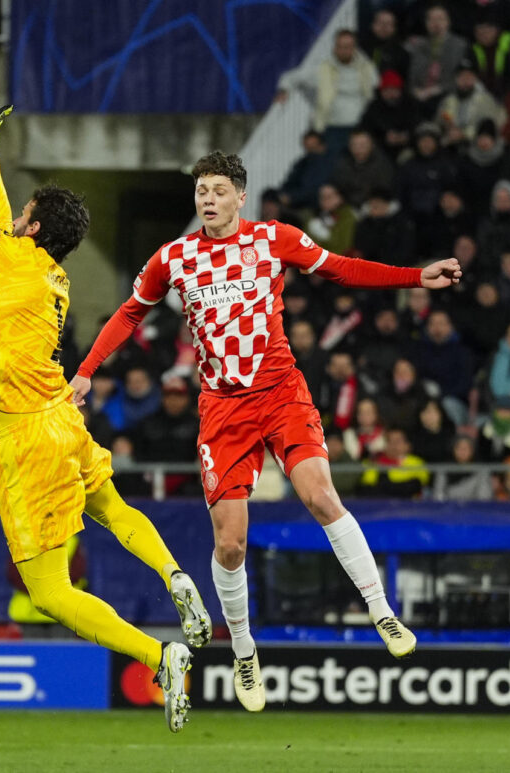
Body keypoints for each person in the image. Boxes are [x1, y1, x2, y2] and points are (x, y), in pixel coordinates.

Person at [73, 149, 462, 711]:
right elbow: (131, 312)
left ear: (239, 197)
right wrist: (86, 371)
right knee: (229, 542)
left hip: (281, 393)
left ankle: (381, 610)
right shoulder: (174, 258)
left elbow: (341, 267)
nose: (207, 200)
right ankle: (246, 651)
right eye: (201, 191)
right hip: (223, 409)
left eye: (216, 191)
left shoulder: (273, 239)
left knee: (321, 495)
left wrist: (415, 277)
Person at [0, 64, 204, 732]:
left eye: (24, 216)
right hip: (61, 414)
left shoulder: (13, 265)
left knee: (49, 590)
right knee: (113, 506)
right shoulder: (40, 269)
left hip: (28, 435)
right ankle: (175, 576)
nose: (15, 219)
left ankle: (159, 654)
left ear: (32, 231)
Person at [275, 28, 378, 154]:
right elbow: (290, 77)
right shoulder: (321, 69)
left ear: (354, 47)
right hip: (330, 130)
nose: (344, 50)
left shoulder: (367, 70)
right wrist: (283, 91)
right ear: (335, 47)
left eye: (348, 46)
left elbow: (375, 91)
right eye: (340, 46)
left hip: (359, 129)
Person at [405, 6, 468, 117]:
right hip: (419, 97)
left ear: (448, 22)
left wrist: (436, 90)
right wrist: (415, 91)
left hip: (449, 97)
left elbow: (461, 78)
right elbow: (410, 76)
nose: (436, 23)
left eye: (440, 19)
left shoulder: (460, 45)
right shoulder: (417, 45)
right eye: (431, 19)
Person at [356, 427, 429, 498]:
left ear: (408, 445)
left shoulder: (417, 463)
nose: (393, 445)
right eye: (389, 440)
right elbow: (366, 489)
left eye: (397, 441)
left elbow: (415, 487)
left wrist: (385, 486)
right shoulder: (372, 462)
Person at [278, 131, 335, 213]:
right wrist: (283, 194)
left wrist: (292, 197)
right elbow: (290, 181)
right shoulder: (303, 163)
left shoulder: (329, 163)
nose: (311, 151)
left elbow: (314, 189)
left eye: (314, 146)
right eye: (308, 147)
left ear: (323, 145)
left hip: (314, 206)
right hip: (298, 203)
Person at [433, 434, 492, 501]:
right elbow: (438, 495)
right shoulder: (444, 469)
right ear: (453, 450)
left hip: (474, 508)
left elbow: (484, 497)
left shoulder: (481, 470)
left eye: (466, 448)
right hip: (449, 508)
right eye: (459, 448)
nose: (462, 451)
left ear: (472, 451)